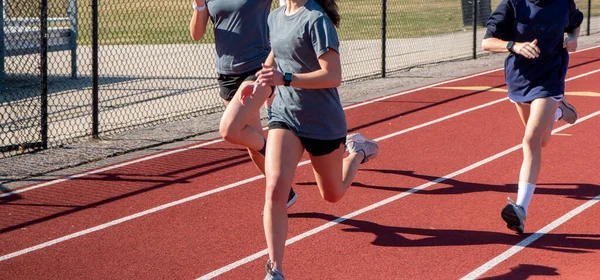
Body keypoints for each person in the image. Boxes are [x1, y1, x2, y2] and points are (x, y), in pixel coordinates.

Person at [239, 0, 379, 278]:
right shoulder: (275, 17)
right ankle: (275, 270)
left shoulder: (316, 19)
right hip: (285, 115)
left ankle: (357, 152)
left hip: (323, 122)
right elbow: (275, 57)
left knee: (333, 194)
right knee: (276, 188)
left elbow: (333, 75)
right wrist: (257, 84)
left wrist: (286, 78)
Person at [482, 0, 584, 234]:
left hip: (550, 77)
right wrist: (514, 46)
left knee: (530, 141)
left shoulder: (562, 2)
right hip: (520, 79)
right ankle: (559, 111)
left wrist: (574, 39)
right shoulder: (512, 4)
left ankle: (521, 209)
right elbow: (486, 43)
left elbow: (575, 22)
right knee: (542, 140)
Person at [189, 0, 297, 208]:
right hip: (226, 74)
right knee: (252, 144)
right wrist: (200, 6)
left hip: (257, 69)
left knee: (230, 129)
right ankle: (286, 192)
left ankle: (278, 160)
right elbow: (196, 34)